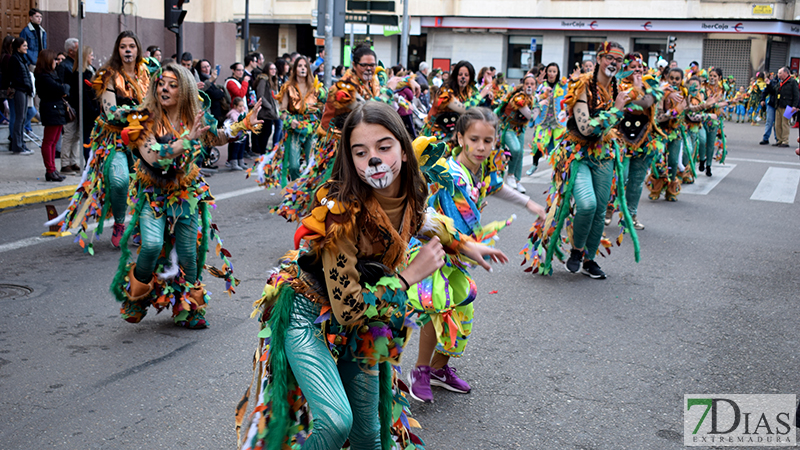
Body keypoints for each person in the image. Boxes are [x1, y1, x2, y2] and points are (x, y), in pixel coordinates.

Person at [236, 101, 506, 450]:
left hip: (365, 320)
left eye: (384, 147)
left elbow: (424, 222)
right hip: (309, 314)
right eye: (361, 153)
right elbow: (348, 307)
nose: (374, 160)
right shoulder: (341, 217)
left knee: (371, 435)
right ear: (351, 161)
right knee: (335, 423)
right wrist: (409, 276)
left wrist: (465, 245)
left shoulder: (409, 193)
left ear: (405, 152)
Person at [406, 108, 544, 403]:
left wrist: (531, 204)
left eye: (489, 140)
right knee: (437, 307)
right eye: (474, 139)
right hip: (437, 247)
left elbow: (498, 188)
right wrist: (467, 244)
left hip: (460, 251)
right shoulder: (452, 174)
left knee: (461, 309)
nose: (482, 147)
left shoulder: (482, 170)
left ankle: (438, 370)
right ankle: (420, 370)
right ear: (459, 138)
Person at [109, 63, 258, 328]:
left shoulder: (195, 118)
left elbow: (217, 137)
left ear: (185, 90)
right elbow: (153, 157)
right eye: (161, 83)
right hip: (154, 194)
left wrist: (244, 125)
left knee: (189, 254)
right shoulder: (145, 119)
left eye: (172, 84)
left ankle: (188, 308)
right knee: (152, 246)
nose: (164, 88)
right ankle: (137, 297)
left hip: (186, 194)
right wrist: (185, 141)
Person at [521, 41, 638, 279]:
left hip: (604, 154)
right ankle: (576, 251)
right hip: (577, 153)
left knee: (599, 210)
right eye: (609, 58)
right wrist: (616, 110)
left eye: (618, 60)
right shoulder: (582, 85)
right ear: (598, 59)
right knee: (587, 204)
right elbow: (585, 128)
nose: (613, 63)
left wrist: (640, 88)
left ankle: (589, 259)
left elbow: (644, 106)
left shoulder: (619, 89)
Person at [271, 43, 416, 221]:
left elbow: (382, 75)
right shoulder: (343, 88)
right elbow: (366, 109)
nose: (370, 69)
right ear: (354, 66)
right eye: (365, 65)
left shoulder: (368, 82)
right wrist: (390, 89)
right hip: (337, 148)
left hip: (358, 144)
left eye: (372, 65)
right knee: (334, 192)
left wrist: (409, 80)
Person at [51, 31, 157, 249]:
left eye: (131, 46)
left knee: (149, 183)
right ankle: (119, 223)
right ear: (117, 51)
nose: (128, 50)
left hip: (144, 137)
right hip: (115, 138)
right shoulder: (108, 74)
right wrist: (137, 113)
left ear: (137, 49)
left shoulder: (147, 73)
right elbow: (111, 112)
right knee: (119, 181)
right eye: (123, 47)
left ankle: (139, 225)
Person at [253, 56, 325, 187]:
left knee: (311, 163)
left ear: (308, 69)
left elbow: (322, 107)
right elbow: (282, 111)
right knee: (293, 165)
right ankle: (297, 188)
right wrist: (290, 120)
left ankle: (308, 190)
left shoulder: (315, 87)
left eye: (305, 66)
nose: (302, 68)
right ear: (294, 69)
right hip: (295, 128)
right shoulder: (288, 87)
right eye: (299, 66)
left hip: (312, 126)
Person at [606, 53, 659, 227]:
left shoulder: (650, 86)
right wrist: (636, 88)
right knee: (622, 177)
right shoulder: (617, 86)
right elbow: (634, 108)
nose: (637, 70)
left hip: (644, 140)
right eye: (633, 67)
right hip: (622, 139)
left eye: (640, 67)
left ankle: (630, 216)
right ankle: (608, 209)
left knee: (636, 182)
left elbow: (650, 105)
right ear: (624, 70)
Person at [420, 60, 492, 148]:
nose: (463, 77)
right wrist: (481, 95)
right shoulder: (445, 91)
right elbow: (464, 108)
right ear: (455, 76)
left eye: (466, 75)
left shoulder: (467, 91)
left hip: (456, 133)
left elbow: (476, 105)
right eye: (460, 74)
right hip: (438, 133)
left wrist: (489, 86)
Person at [646, 67, 687, 203]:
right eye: (671, 78)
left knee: (674, 161)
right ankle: (656, 189)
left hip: (675, 133)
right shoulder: (661, 94)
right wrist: (674, 111)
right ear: (667, 79)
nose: (674, 81)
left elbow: (689, 110)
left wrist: (705, 106)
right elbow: (657, 118)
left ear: (681, 80)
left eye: (677, 79)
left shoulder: (683, 94)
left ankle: (671, 190)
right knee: (658, 160)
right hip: (660, 133)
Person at [496, 74, 538, 192]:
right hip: (507, 127)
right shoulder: (518, 98)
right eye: (527, 84)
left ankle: (517, 181)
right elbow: (530, 116)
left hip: (520, 129)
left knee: (520, 153)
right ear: (523, 86)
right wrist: (540, 105)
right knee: (515, 149)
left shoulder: (533, 98)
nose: (529, 86)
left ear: (535, 87)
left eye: (532, 84)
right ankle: (509, 175)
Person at [34, 49, 69, 181]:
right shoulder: (44, 76)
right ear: (49, 60)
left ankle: (53, 169)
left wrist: (63, 88)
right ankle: (50, 170)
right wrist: (63, 88)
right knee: (49, 141)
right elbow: (61, 88)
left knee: (54, 141)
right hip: (51, 110)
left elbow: (64, 88)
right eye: (54, 59)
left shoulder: (51, 74)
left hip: (57, 109)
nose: (57, 62)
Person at [528, 62, 568, 176]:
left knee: (559, 147)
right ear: (546, 72)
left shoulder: (563, 85)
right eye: (549, 71)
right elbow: (533, 100)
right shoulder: (541, 85)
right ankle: (534, 165)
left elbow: (570, 97)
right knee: (538, 143)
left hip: (558, 121)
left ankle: (558, 170)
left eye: (554, 71)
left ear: (557, 73)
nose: (551, 74)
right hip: (543, 120)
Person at [58, 38, 83, 174]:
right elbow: (63, 86)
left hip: (77, 104)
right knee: (69, 134)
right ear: (71, 51)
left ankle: (73, 161)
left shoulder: (76, 64)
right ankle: (65, 163)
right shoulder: (64, 66)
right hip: (70, 105)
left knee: (76, 135)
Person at [8, 38, 34, 155]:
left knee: (23, 118)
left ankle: (21, 143)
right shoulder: (15, 59)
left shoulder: (21, 58)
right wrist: (23, 86)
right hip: (20, 91)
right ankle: (17, 145)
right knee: (19, 118)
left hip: (24, 90)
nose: (26, 48)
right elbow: (15, 77)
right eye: (24, 46)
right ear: (18, 47)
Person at [699, 67, 727, 175]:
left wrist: (722, 109)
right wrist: (715, 104)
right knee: (702, 140)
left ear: (719, 77)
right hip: (704, 117)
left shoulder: (722, 89)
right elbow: (702, 102)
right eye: (710, 75)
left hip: (715, 119)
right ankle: (702, 159)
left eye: (714, 76)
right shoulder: (704, 87)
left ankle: (709, 166)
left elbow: (724, 102)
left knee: (711, 144)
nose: (712, 78)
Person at [76, 46, 100, 162]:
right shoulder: (82, 74)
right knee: (87, 138)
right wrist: (92, 110)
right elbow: (84, 95)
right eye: (91, 55)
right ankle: (88, 161)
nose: (93, 57)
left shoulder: (92, 70)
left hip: (95, 109)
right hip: (88, 111)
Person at [252, 61, 281, 155]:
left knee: (267, 132)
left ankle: (262, 151)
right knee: (264, 133)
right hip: (264, 112)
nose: (273, 71)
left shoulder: (273, 80)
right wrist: (269, 106)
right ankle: (261, 152)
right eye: (271, 69)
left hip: (270, 111)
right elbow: (260, 95)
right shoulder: (263, 80)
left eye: (274, 69)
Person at [774, 67, 798, 148]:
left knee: (785, 124)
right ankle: (779, 140)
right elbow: (774, 90)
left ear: (786, 73)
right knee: (777, 124)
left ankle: (785, 140)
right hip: (779, 105)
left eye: (780, 73)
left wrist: (795, 106)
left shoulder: (792, 82)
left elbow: (796, 94)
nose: (778, 75)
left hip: (788, 106)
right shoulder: (780, 82)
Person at [759, 72, 778, 145]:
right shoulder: (773, 82)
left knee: (779, 124)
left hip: (781, 105)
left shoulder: (789, 83)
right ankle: (765, 138)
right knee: (769, 121)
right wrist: (762, 99)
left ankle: (778, 139)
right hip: (772, 104)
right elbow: (766, 91)